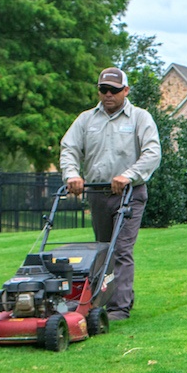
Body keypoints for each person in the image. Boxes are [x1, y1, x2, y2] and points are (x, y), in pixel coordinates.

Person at [59, 67, 161, 322]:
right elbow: (69, 148)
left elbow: (152, 153)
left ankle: (118, 308)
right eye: (103, 90)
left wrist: (128, 175)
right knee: (103, 250)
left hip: (130, 193)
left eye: (114, 90)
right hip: (97, 193)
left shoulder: (139, 118)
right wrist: (72, 174)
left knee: (121, 249)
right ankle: (105, 298)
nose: (108, 95)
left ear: (125, 91)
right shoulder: (86, 120)